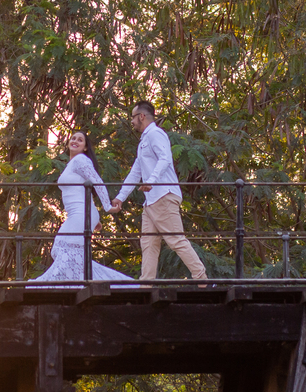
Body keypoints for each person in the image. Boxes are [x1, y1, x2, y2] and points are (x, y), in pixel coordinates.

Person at [109, 101, 207, 281]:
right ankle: (146, 285)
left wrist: (151, 181)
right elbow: (135, 172)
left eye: (132, 117)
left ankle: (202, 279)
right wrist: (120, 198)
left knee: (176, 240)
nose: (131, 121)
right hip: (151, 201)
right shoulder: (143, 141)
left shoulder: (155, 134)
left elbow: (165, 159)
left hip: (163, 196)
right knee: (148, 244)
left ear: (141, 116)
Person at [33, 131, 133, 283]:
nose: (75, 141)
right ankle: (99, 282)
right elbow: (82, 190)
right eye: (73, 138)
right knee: (66, 253)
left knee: (63, 249)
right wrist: (93, 217)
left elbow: (96, 181)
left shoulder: (81, 160)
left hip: (81, 214)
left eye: (80, 140)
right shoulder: (72, 163)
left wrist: (107, 207)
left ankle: (59, 283)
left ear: (85, 147)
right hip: (80, 214)